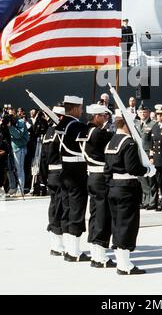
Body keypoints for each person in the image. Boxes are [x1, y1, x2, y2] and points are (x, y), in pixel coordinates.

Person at [104, 109, 154, 275]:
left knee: (117, 224)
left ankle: (121, 262)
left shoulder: (111, 141)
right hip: (127, 187)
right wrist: (148, 170)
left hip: (113, 186)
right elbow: (133, 168)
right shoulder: (129, 142)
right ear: (126, 124)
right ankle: (124, 265)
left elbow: (106, 169)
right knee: (127, 225)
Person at [77, 104, 115, 268]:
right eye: (104, 116)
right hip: (101, 176)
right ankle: (100, 257)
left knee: (95, 214)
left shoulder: (83, 131)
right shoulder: (98, 133)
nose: (106, 118)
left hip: (91, 175)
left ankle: (95, 254)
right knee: (102, 215)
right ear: (96, 116)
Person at [56, 95, 90, 262]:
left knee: (68, 209)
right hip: (77, 171)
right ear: (75, 108)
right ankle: (74, 252)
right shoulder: (76, 125)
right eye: (81, 108)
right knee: (77, 210)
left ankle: (69, 248)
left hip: (65, 170)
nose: (82, 111)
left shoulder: (61, 123)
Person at [40, 105, 66, 256]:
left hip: (51, 174)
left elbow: (43, 158)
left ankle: (55, 244)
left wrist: (44, 178)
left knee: (54, 206)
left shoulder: (48, 132)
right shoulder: (61, 132)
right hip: (61, 173)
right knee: (60, 208)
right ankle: (58, 244)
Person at [135, 103, 157, 210]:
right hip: (138, 154)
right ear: (137, 113)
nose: (142, 114)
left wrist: (152, 155)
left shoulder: (153, 124)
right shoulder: (136, 124)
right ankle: (145, 200)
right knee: (142, 178)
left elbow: (154, 141)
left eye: (144, 112)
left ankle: (152, 201)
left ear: (148, 113)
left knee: (151, 178)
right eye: (140, 112)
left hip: (148, 154)